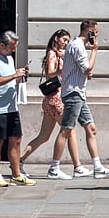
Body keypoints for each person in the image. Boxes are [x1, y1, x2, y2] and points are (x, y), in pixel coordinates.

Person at [46, 20, 109, 180]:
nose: (97, 35)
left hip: (78, 93)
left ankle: (97, 166)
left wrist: (85, 72)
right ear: (89, 32)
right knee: (66, 130)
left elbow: (80, 70)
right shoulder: (78, 46)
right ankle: (54, 167)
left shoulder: (76, 45)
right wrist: (95, 51)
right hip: (73, 93)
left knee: (91, 128)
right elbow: (87, 68)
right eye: (95, 32)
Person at [21, 29, 82, 179]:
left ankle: (18, 161)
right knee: (69, 130)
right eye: (64, 40)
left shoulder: (59, 54)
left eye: (68, 40)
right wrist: (63, 69)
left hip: (52, 100)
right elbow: (49, 72)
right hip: (56, 99)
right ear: (57, 38)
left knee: (44, 136)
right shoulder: (52, 54)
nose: (66, 43)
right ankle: (74, 167)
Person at [0, 30, 34, 187]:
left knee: (16, 139)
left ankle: (16, 174)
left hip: (12, 105)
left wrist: (20, 76)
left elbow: (10, 78)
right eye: (11, 47)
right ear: (2, 45)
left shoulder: (9, 58)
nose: (13, 50)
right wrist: (13, 76)